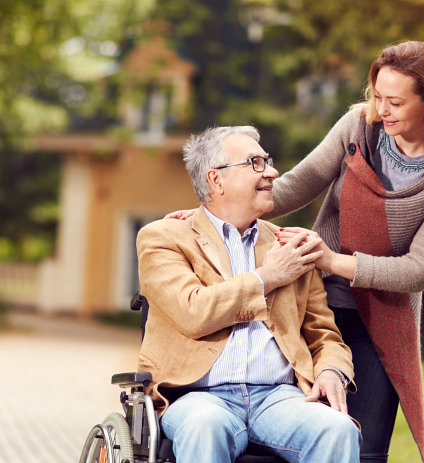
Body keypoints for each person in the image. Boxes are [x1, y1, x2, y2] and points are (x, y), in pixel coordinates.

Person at [167, 40, 424, 463]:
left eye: (396, 101)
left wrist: (330, 260)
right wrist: (214, 211)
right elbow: (298, 183)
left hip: (382, 316)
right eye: (378, 96)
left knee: (362, 446)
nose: (382, 109)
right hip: (315, 299)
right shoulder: (358, 128)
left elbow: (420, 270)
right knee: (294, 424)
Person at [136, 125, 362, 463]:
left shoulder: (291, 246)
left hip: (279, 398)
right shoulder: (163, 238)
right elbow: (192, 311)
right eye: (255, 162)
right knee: (204, 426)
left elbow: (324, 335)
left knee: (338, 429)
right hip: (199, 396)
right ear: (216, 180)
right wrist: (266, 277)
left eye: (267, 161)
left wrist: (332, 369)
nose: (272, 171)